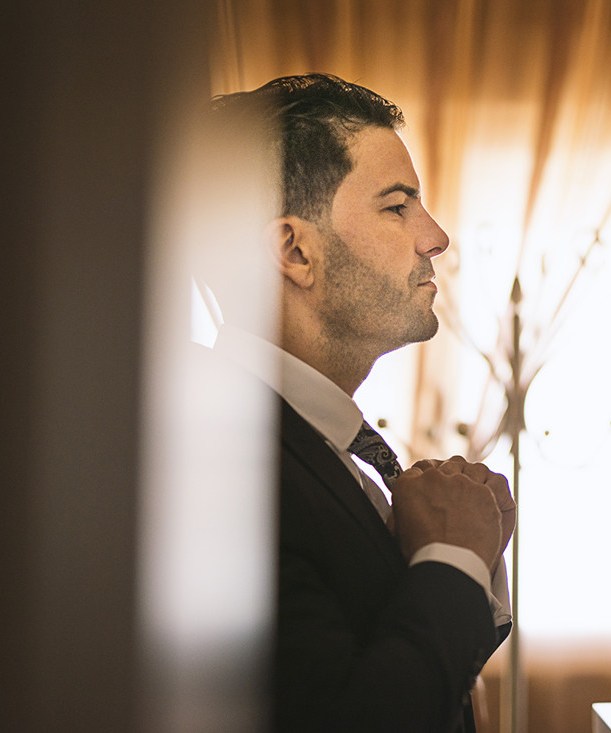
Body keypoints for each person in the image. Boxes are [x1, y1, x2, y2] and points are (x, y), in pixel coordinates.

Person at [201, 73, 515, 733]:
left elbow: (384, 658)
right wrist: (454, 558)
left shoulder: (312, 443)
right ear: (294, 250)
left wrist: (469, 557)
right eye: (398, 205)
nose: (435, 237)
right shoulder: (220, 453)